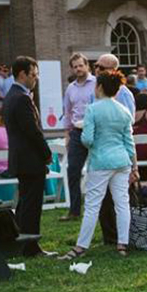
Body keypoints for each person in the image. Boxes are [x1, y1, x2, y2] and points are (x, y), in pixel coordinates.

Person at [63, 70, 137, 260]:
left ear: (100, 87)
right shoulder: (124, 110)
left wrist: (94, 140)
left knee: (92, 205)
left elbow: (87, 139)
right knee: (122, 203)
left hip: (101, 161)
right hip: (122, 161)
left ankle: (81, 246)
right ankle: (122, 244)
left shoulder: (93, 109)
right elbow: (129, 143)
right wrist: (134, 167)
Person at [2, 55, 53, 258]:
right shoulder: (21, 98)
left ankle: (22, 243)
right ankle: (31, 246)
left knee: (25, 202)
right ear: (22, 74)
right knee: (32, 205)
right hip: (30, 159)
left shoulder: (11, 96)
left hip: (21, 158)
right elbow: (32, 131)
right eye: (33, 74)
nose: (36, 79)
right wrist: (46, 154)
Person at [61, 53, 96, 221]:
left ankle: (99, 208)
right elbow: (67, 112)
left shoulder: (97, 83)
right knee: (73, 170)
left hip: (95, 130)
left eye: (80, 65)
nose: (78, 69)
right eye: (75, 66)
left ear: (87, 66)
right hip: (76, 132)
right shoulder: (70, 88)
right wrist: (66, 133)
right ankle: (74, 211)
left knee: (98, 170)